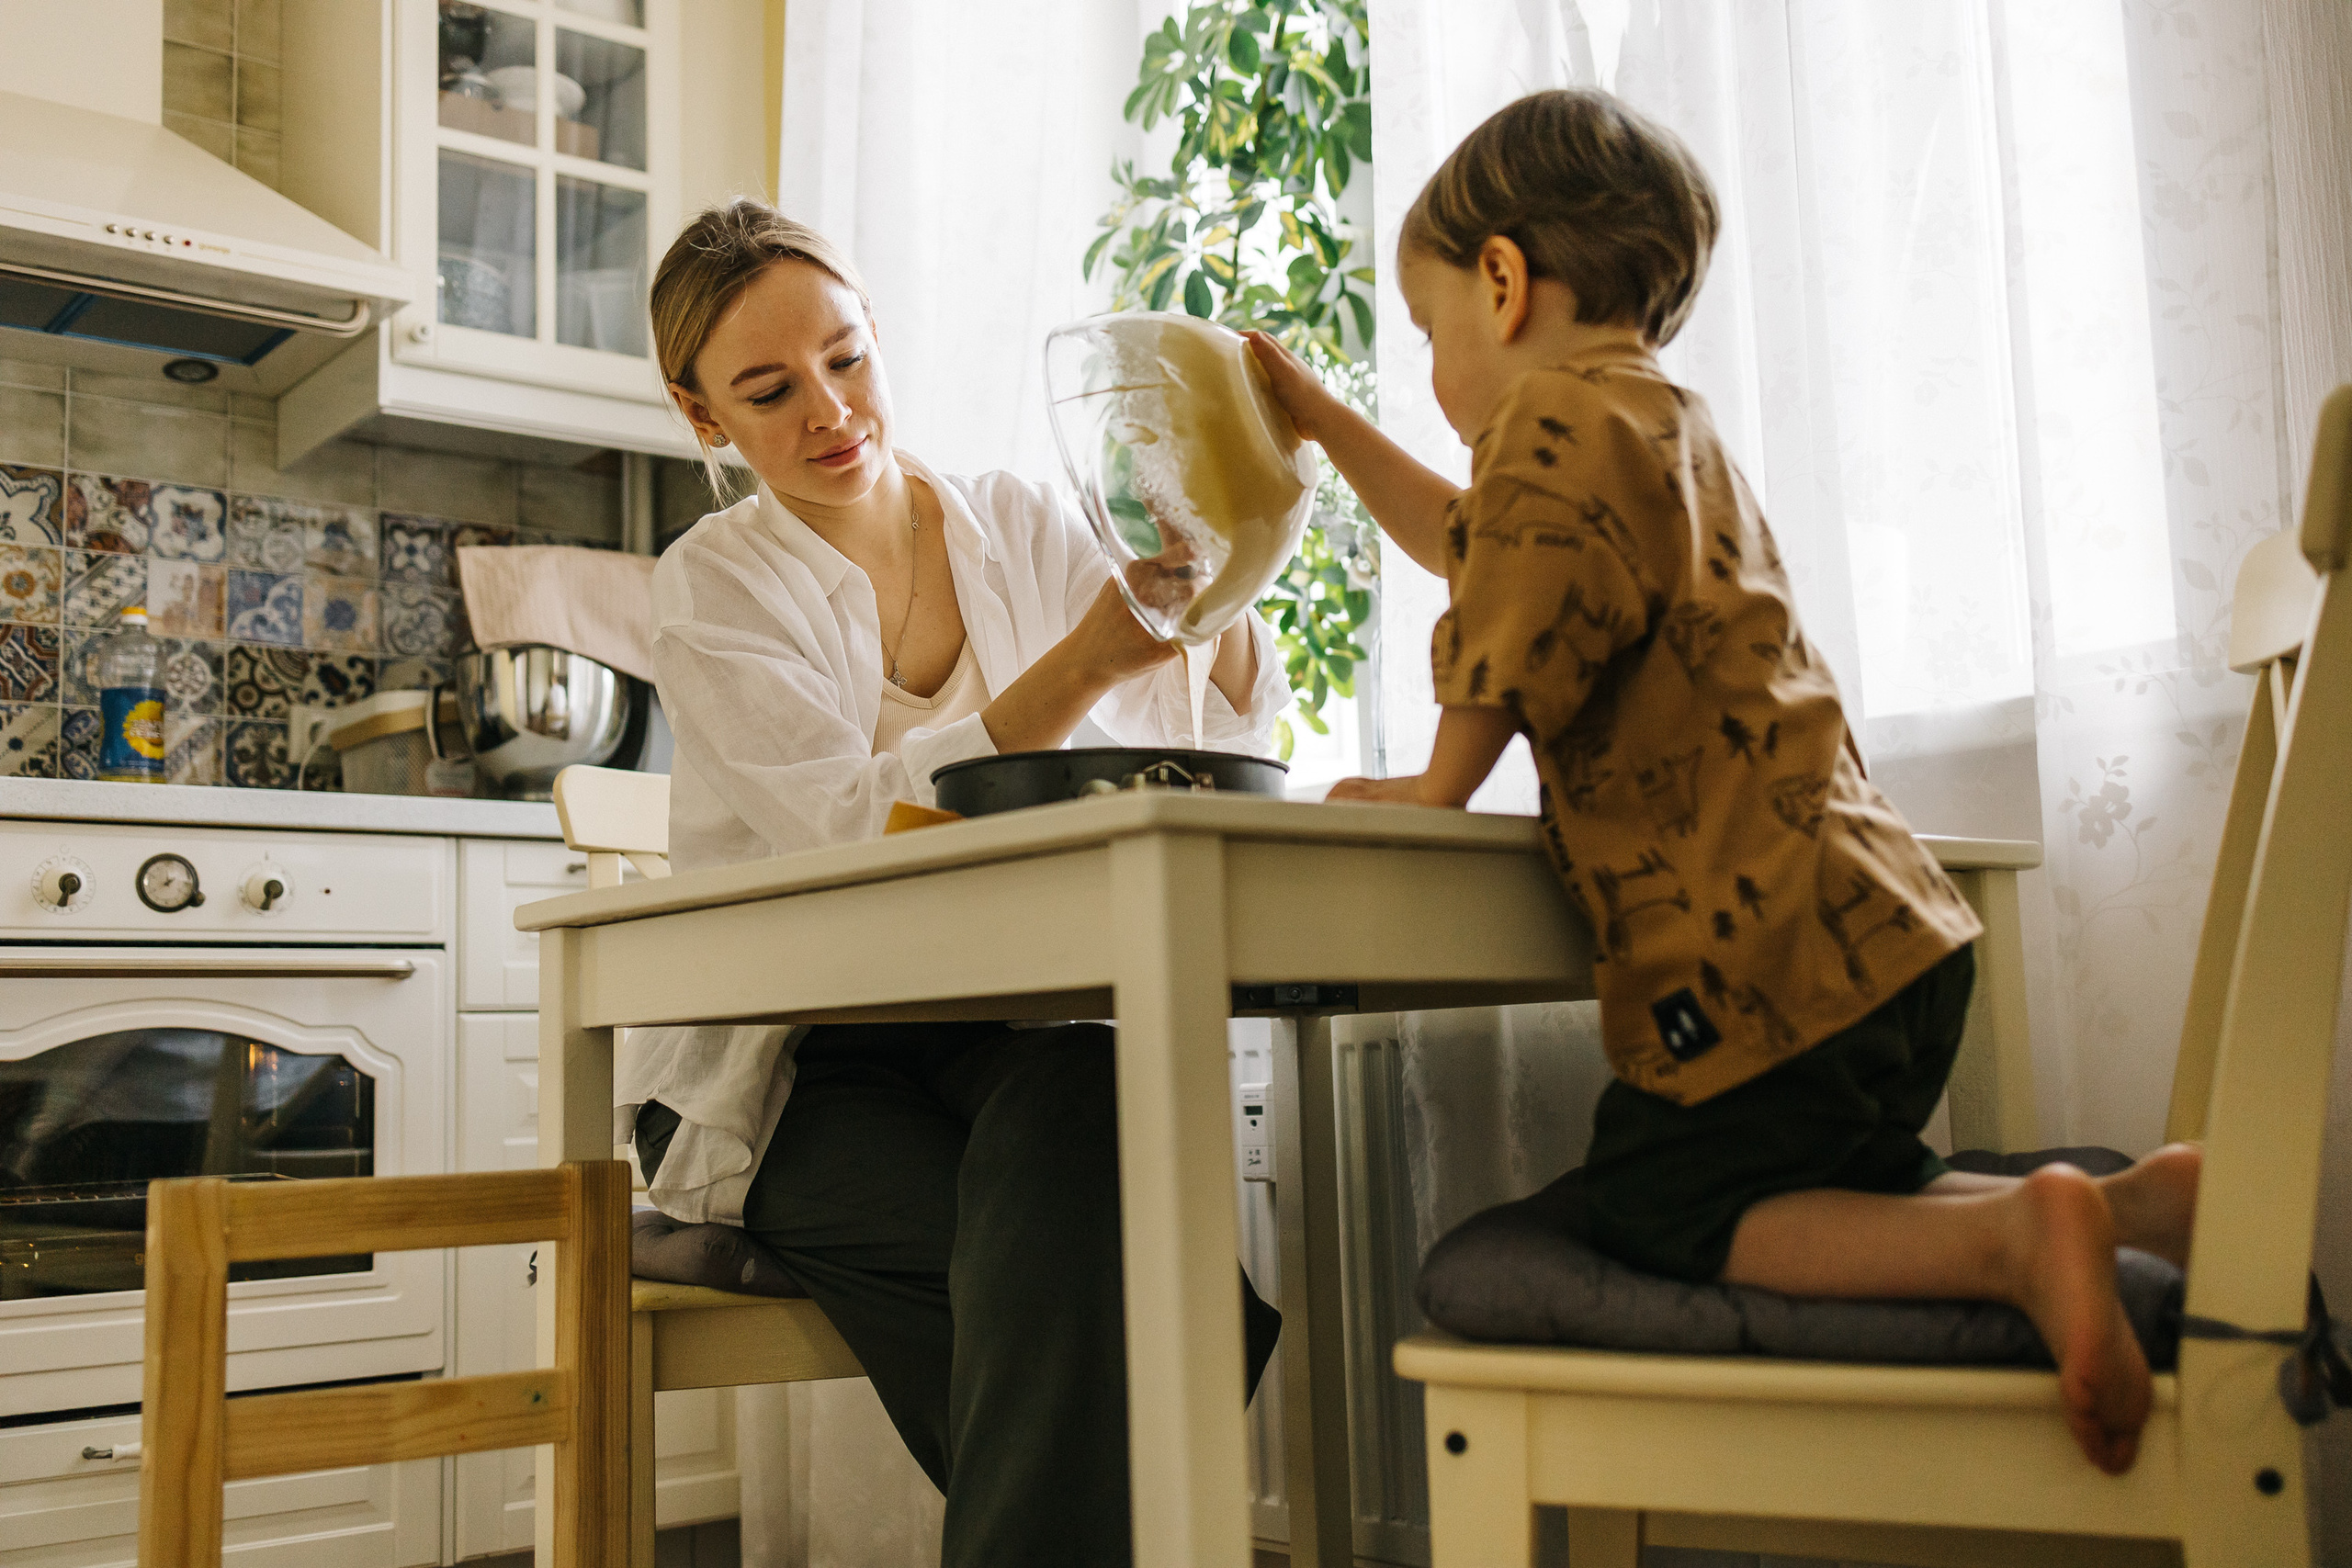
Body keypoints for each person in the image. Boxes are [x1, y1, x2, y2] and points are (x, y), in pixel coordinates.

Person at [1244, 89, 2202, 1475]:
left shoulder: (1547, 428)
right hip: (1886, 942)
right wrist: (1329, 428)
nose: (1438, 374)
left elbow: (1510, 620)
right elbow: (1482, 549)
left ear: (1502, 283)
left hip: (1763, 963)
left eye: (1430, 330)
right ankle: (2145, 1209)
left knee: (1662, 1205)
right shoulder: (1654, 421)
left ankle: (2014, 1237)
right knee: (1822, 1177)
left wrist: (1433, 787)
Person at [629, 198, 1291, 1564]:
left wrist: (1219, 576)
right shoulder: (713, 585)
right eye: (769, 389)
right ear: (706, 420)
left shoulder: (1017, 521)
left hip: (1002, 1038)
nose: (828, 408)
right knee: (1120, 1290)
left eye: (848, 357)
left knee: (1086, 1110)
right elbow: (832, 834)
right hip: (801, 1073)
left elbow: (1199, 749)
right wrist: (1081, 668)